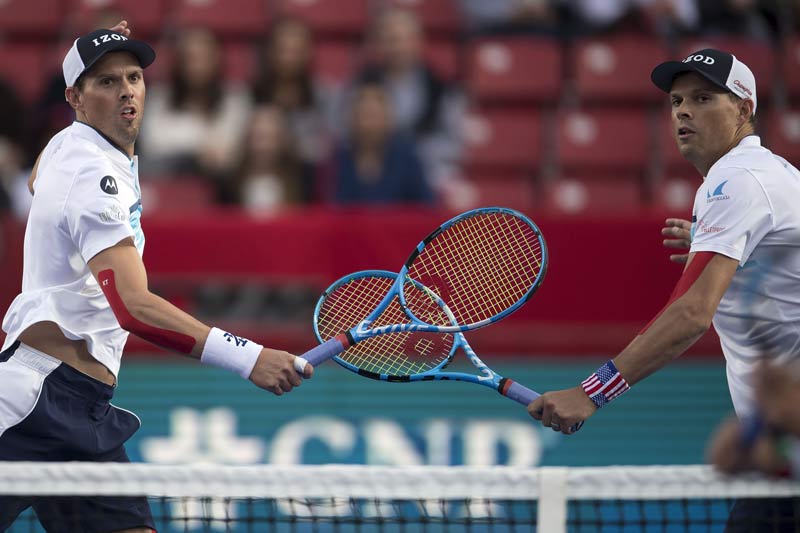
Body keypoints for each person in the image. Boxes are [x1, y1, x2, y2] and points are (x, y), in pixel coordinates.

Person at [0, 23, 313, 532]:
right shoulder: (93, 176)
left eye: (133, 77)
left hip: (85, 408)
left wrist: (93, 59)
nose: (127, 90)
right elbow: (133, 306)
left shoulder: (68, 147)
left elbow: (39, 176)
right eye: (106, 82)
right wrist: (247, 357)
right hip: (34, 401)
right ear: (75, 98)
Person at [528, 46, 800, 529]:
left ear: (744, 109)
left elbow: (691, 313)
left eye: (703, 98)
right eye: (676, 102)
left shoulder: (738, 181)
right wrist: (721, 243)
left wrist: (592, 392)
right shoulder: (769, 175)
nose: (684, 112)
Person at [138, 26, 251, 181]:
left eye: (204, 58)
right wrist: (200, 152)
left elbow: (232, 149)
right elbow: (153, 145)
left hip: (222, 184)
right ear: (179, 62)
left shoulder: (235, 98)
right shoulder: (159, 97)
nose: (197, 66)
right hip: (169, 179)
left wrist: (181, 138)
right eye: (191, 58)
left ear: (217, 60)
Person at [328, 80, 434, 204]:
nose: (368, 125)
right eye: (363, 116)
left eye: (373, 116)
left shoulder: (407, 158)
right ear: (353, 120)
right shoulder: (340, 160)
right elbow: (332, 208)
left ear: (387, 119)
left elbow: (426, 206)